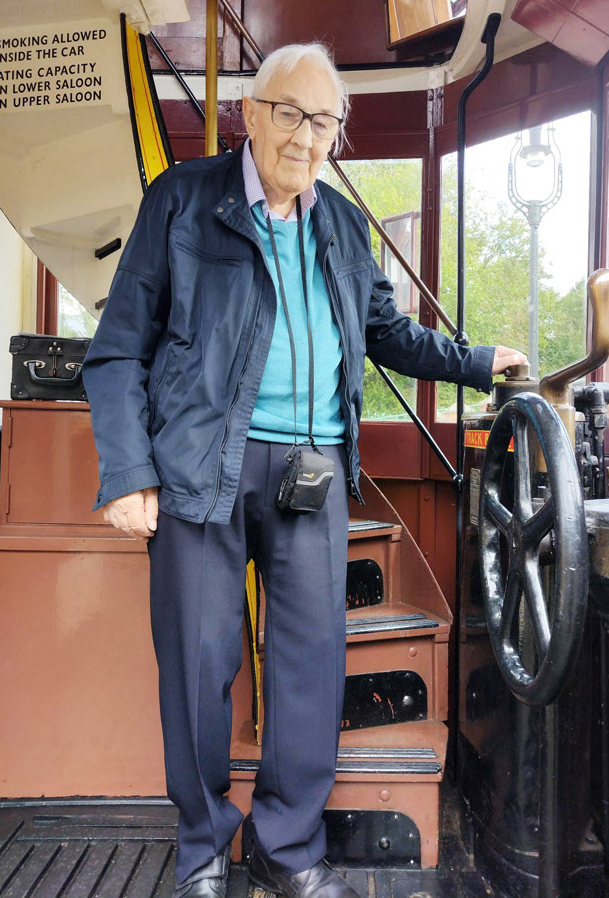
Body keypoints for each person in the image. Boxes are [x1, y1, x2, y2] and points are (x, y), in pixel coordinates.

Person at [83, 42, 527, 898]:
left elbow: (386, 335)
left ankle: (283, 849)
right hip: (198, 469)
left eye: (323, 121)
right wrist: (126, 471)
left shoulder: (340, 223)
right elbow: (115, 354)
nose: (305, 136)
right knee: (199, 663)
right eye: (289, 112)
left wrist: (476, 361)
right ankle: (206, 847)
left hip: (312, 470)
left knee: (309, 668)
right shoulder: (180, 202)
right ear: (249, 113)